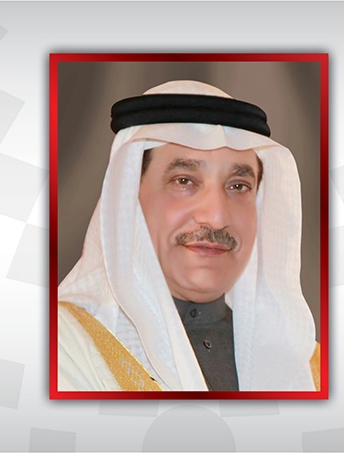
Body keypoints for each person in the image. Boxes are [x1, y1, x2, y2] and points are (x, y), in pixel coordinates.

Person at [57, 80, 319, 391]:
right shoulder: (62, 345)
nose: (217, 217)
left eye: (239, 186)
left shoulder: (308, 367)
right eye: (184, 181)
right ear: (129, 199)